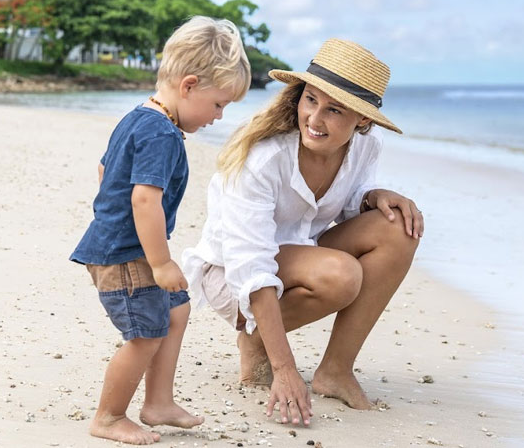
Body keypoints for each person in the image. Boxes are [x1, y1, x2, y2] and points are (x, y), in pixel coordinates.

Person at [181, 38, 423, 427]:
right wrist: (284, 369)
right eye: (310, 100)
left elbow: (343, 205)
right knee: (341, 275)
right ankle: (256, 338)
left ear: (362, 120)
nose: (314, 118)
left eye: (334, 110)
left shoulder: (364, 147)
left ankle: (335, 371)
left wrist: (373, 195)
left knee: (399, 228)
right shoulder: (264, 158)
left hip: (299, 255)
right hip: (234, 277)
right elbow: (251, 263)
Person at [70, 16, 251, 445]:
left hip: (119, 244)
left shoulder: (139, 117)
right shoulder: (162, 134)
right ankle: (109, 417)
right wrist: (160, 261)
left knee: (177, 309)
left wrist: (115, 212)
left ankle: (159, 403)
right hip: (127, 255)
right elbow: (144, 200)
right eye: (218, 104)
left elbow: (104, 168)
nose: (218, 117)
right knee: (145, 334)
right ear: (188, 86)